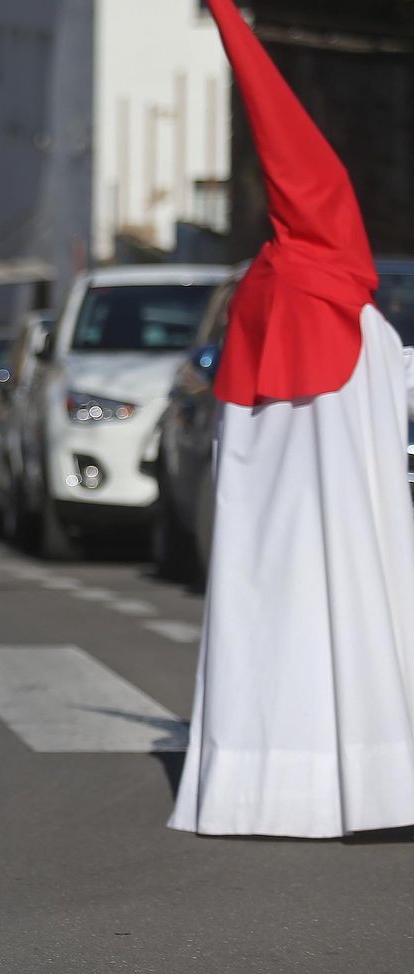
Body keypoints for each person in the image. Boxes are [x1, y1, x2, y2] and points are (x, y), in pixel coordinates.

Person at [170, 0, 414, 837]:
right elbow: (288, 143)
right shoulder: (335, 302)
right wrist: (233, 22)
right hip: (338, 446)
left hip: (289, 452)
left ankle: (273, 786)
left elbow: (287, 144)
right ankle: (369, 779)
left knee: (272, 597)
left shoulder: (287, 301)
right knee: (351, 591)